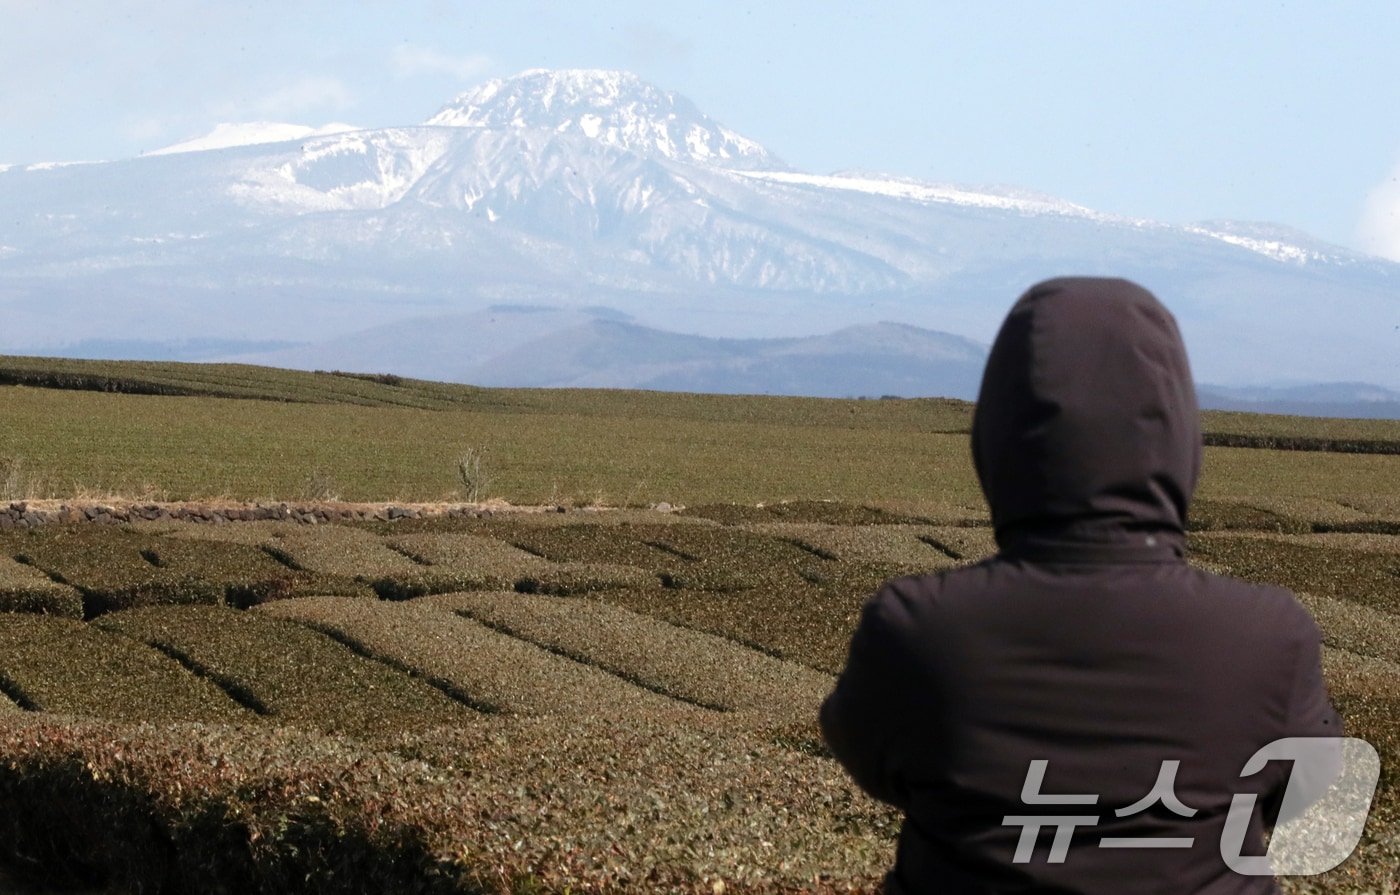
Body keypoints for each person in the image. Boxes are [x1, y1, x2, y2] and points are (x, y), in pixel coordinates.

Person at [820, 277, 1342, 893]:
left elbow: (869, 756)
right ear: (1177, 435)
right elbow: (1307, 783)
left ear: (999, 434)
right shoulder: (1266, 636)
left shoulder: (916, 627)